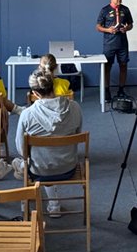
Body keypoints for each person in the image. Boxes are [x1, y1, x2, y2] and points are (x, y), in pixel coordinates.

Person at [11, 70, 84, 217]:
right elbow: (78, 133)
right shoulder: (75, 107)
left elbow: (21, 150)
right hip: (68, 167)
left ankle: (28, 198)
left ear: (35, 93)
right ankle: (54, 204)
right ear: (54, 86)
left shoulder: (27, 114)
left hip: (39, 171)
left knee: (22, 162)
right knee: (44, 159)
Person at [96, 0, 133, 98]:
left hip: (122, 43)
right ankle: (107, 91)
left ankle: (121, 90)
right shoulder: (104, 10)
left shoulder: (125, 10)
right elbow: (98, 27)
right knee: (107, 67)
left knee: (123, 65)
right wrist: (108, 30)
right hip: (109, 44)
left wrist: (126, 29)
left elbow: (130, 24)